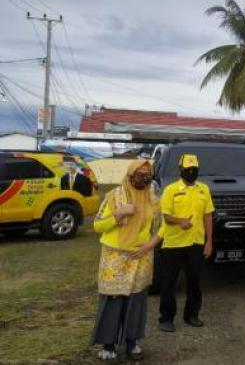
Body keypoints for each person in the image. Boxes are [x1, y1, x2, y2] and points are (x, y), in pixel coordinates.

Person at [90, 159, 162, 361]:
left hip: (141, 257)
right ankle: (109, 344)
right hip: (115, 257)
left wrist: (149, 245)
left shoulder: (154, 200)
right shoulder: (113, 196)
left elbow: (161, 229)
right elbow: (97, 226)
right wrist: (119, 214)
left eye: (148, 174)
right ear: (130, 176)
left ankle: (132, 342)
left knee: (136, 301)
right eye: (140, 174)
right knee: (113, 300)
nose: (145, 178)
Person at [158, 154, 214, 332]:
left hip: (196, 242)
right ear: (180, 169)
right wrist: (180, 221)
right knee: (169, 282)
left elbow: (208, 216)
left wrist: (209, 242)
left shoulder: (203, 189)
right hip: (173, 243)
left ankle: (192, 315)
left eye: (194, 169)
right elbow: (165, 216)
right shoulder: (170, 190)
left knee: (194, 282)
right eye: (187, 169)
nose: (191, 172)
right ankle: (166, 319)